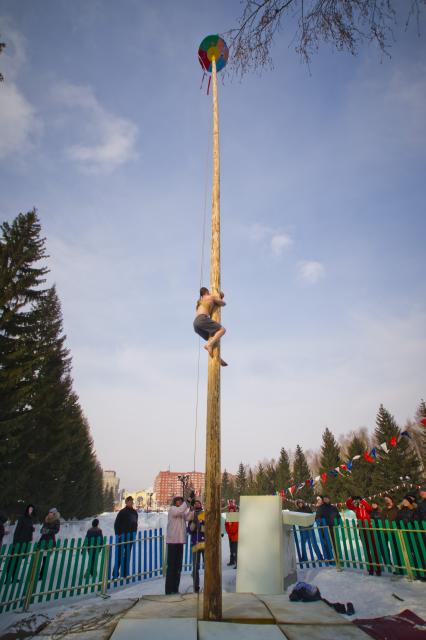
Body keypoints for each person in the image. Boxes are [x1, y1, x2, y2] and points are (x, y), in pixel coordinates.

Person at [346, 496, 381, 576]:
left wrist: (362, 500)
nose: (358, 503)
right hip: (362, 530)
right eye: (357, 502)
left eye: (358, 501)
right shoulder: (356, 509)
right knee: (366, 549)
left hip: (369, 529)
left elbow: (370, 508)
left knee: (374, 549)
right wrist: (351, 498)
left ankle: (378, 568)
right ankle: (370, 568)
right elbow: (348, 505)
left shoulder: (366, 507)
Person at [193, 287, 227, 366]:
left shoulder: (199, 301)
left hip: (196, 324)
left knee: (212, 336)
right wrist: (218, 296)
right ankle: (209, 345)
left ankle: (217, 356)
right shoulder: (210, 297)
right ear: (207, 292)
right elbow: (223, 303)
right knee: (222, 330)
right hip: (202, 319)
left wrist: (220, 295)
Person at [165, 495, 191, 595]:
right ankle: (168, 590)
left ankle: (175, 588)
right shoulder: (172, 510)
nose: (179, 502)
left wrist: (192, 508)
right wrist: (187, 501)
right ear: (174, 502)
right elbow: (180, 511)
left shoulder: (181, 512)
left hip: (180, 541)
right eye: (178, 501)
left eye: (181, 501)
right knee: (171, 566)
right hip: (172, 541)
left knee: (178, 567)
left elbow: (188, 517)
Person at [7, 504, 36, 582]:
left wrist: (32, 529)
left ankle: (14, 577)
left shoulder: (31, 519)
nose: (31, 510)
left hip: (25, 542)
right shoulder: (22, 518)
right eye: (29, 509)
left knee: (18, 560)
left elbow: (27, 528)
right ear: (27, 509)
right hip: (19, 542)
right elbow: (18, 530)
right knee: (13, 560)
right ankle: (8, 578)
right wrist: (15, 542)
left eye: (32, 509)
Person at [114, 496, 138, 578]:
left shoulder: (135, 513)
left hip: (130, 537)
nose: (131, 503)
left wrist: (134, 534)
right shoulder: (122, 512)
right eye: (129, 501)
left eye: (132, 501)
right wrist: (118, 534)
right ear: (126, 502)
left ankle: (124, 573)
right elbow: (116, 524)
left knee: (127, 555)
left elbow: (135, 524)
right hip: (122, 537)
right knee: (119, 555)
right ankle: (115, 573)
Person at [295, 499, 323, 564]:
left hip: (310, 527)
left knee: (314, 542)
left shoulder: (307, 508)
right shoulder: (297, 511)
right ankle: (304, 558)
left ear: (303, 502)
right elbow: (297, 519)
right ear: (297, 504)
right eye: (298, 503)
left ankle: (319, 557)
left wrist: (311, 523)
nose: (300, 504)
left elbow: (312, 517)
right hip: (303, 528)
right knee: (303, 543)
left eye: (301, 502)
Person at [315, 495, 341, 563]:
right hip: (325, 529)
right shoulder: (320, 508)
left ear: (329, 499)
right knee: (327, 543)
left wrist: (338, 521)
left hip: (333, 527)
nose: (326, 500)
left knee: (334, 543)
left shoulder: (333, 507)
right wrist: (321, 522)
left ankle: (336, 557)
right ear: (323, 500)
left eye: (327, 498)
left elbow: (338, 516)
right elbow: (317, 517)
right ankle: (329, 558)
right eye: (325, 499)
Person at [382, 494, 403, 574]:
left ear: (391, 499)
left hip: (394, 532)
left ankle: (400, 567)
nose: (386, 500)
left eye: (388, 499)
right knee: (387, 549)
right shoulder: (384, 510)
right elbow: (382, 520)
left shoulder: (396, 508)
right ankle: (390, 564)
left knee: (397, 550)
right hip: (385, 532)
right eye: (385, 499)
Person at [187, 499, 205, 593]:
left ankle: (208, 585)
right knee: (195, 566)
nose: (197, 504)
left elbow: (208, 526)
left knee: (208, 565)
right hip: (195, 543)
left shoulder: (204, 513)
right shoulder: (192, 514)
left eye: (199, 503)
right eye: (195, 503)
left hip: (205, 542)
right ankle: (196, 587)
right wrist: (193, 523)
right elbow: (189, 530)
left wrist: (203, 526)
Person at [39, 508, 61, 580]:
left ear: (54, 513)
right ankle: (38, 571)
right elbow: (42, 530)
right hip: (43, 540)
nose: (49, 513)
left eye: (51, 512)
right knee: (39, 557)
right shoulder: (46, 519)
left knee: (45, 558)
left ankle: (42, 574)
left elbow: (56, 530)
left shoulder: (56, 521)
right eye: (49, 512)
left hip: (50, 541)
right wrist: (44, 530)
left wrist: (48, 531)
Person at [225, 502, 239, 568]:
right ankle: (232, 561)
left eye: (232, 509)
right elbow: (226, 526)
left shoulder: (236, 516)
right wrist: (229, 532)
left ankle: (237, 563)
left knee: (235, 550)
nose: (231, 510)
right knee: (231, 549)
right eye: (230, 509)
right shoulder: (228, 516)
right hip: (230, 536)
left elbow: (235, 527)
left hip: (235, 536)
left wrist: (230, 530)